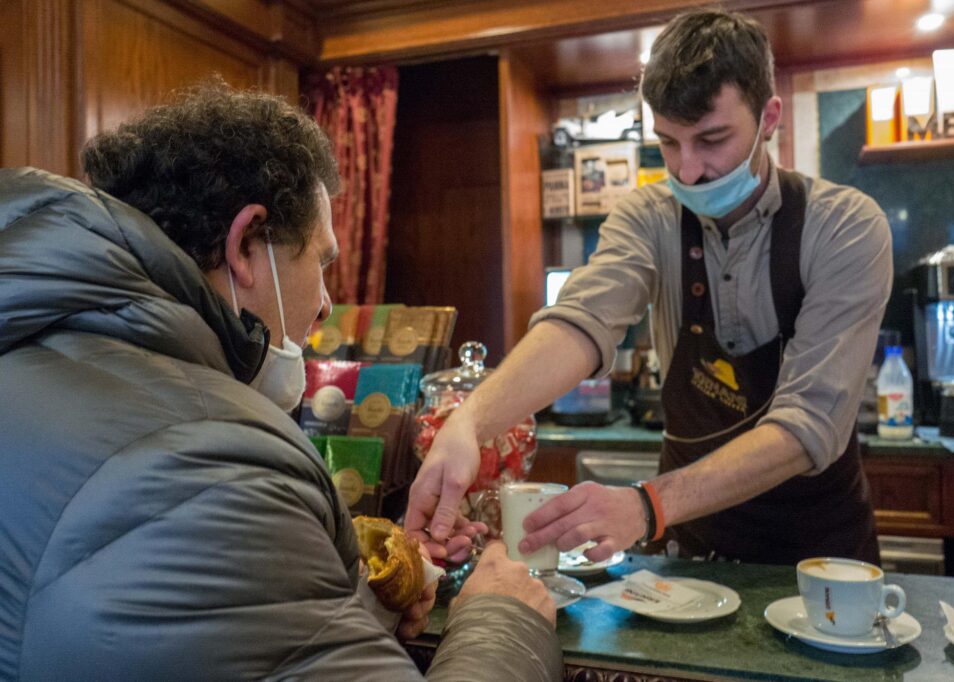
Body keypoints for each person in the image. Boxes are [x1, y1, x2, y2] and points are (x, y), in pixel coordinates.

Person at [0, 82, 559, 680]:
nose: (324, 306)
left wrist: (348, 606)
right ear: (245, 243)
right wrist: (501, 621)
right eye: (320, 261)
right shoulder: (211, 465)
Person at [408, 8, 893, 567]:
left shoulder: (845, 226)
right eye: (668, 142)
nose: (687, 171)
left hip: (820, 554)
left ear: (770, 117)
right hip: (691, 544)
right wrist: (468, 422)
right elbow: (582, 322)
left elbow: (810, 422)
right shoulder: (649, 216)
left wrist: (646, 505)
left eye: (712, 139)